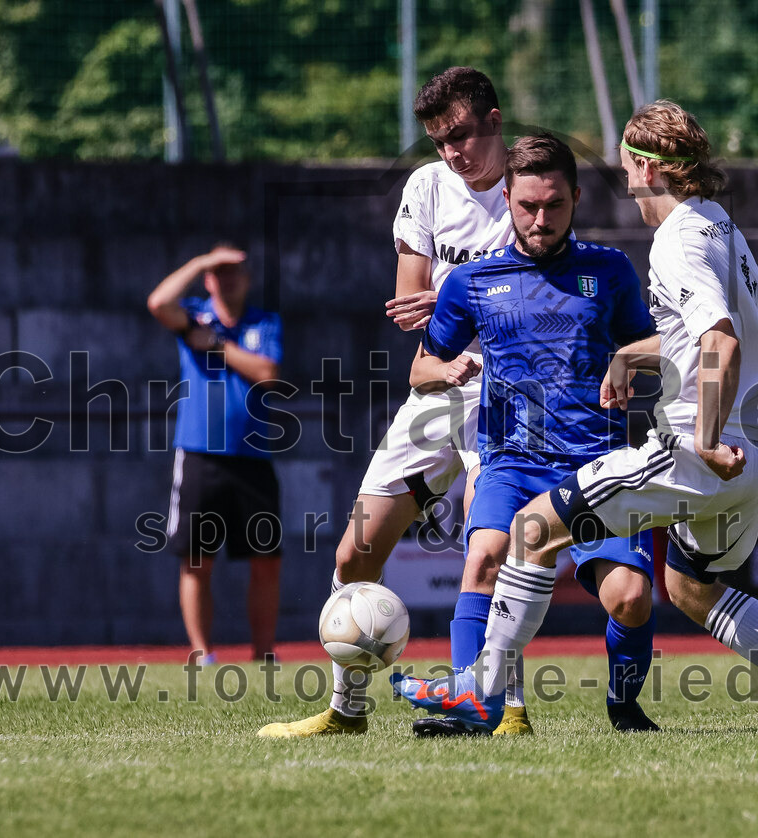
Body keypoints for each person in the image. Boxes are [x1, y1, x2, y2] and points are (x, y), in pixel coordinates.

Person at [394, 100, 758, 733]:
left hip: (699, 451)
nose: (624, 181)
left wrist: (704, 440)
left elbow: (718, 341)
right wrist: (630, 358)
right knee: (692, 589)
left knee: (533, 530)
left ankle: (481, 694)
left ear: (646, 168)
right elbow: (724, 339)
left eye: (624, 167)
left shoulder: (675, 240)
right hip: (749, 458)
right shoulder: (719, 224)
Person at [258, 67, 524, 738]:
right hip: (438, 383)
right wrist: (464, 303)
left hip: (511, 390)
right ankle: (346, 711)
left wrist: (455, 295)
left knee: (488, 544)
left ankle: (505, 707)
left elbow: (540, 299)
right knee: (354, 554)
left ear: (494, 120)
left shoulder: (531, 185)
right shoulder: (427, 187)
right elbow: (411, 305)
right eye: (439, 141)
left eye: (461, 134)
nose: (453, 152)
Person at [404, 132, 662, 737]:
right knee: (483, 559)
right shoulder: (470, 282)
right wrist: (448, 370)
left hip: (597, 463)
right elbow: (419, 368)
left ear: (576, 199)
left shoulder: (609, 269)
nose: (540, 220)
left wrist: (629, 358)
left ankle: (623, 705)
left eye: (554, 205)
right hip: (512, 461)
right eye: (527, 206)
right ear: (507, 200)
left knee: (629, 597)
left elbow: (659, 342)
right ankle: (470, 704)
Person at [147, 244, 284, 663]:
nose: (227, 279)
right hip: (199, 456)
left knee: (266, 560)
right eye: (219, 272)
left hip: (253, 456)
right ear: (208, 279)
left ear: (248, 278)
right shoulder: (193, 315)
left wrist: (218, 346)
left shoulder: (264, 321)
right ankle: (202, 653)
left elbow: (268, 373)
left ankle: (263, 654)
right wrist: (199, 261)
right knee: (196, 560)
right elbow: (158, 303)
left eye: (234, 271)